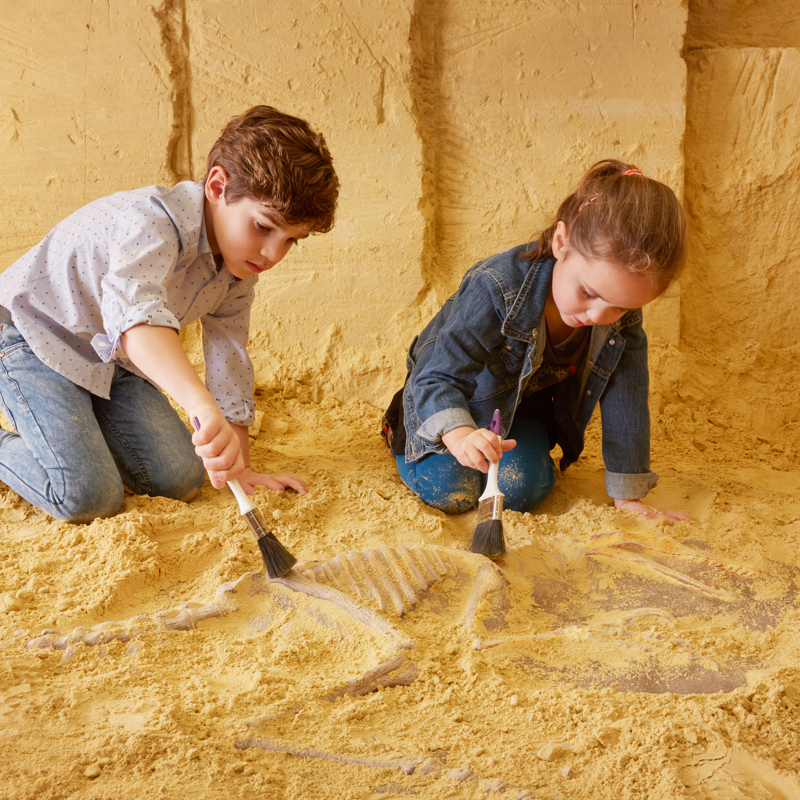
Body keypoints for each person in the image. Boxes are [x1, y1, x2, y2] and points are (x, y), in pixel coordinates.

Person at [0, 105, 339, 523]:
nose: (273, 254)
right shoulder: (151, 222)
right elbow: (136, 323)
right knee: (89, 495)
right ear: (218, 186)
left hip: (108, 358)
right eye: (264, 227)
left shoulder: (239, 268)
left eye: (291, 240)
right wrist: (200, 404)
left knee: (182, 477)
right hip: (30, 337)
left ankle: (77, 431)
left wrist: (240, 466)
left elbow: (229, 357)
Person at [382, 159, 690, 523]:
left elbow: (627, 396)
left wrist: (628, 497)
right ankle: (396, 424)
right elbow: (438, 374)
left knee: (521, 488)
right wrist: (460, 435)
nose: (598, 315)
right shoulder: (496, 287)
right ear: (561, 242)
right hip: (449, 397)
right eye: (589, 293)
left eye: (620, 306)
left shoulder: (617, 317)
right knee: (450, 488)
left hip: (522, 409)